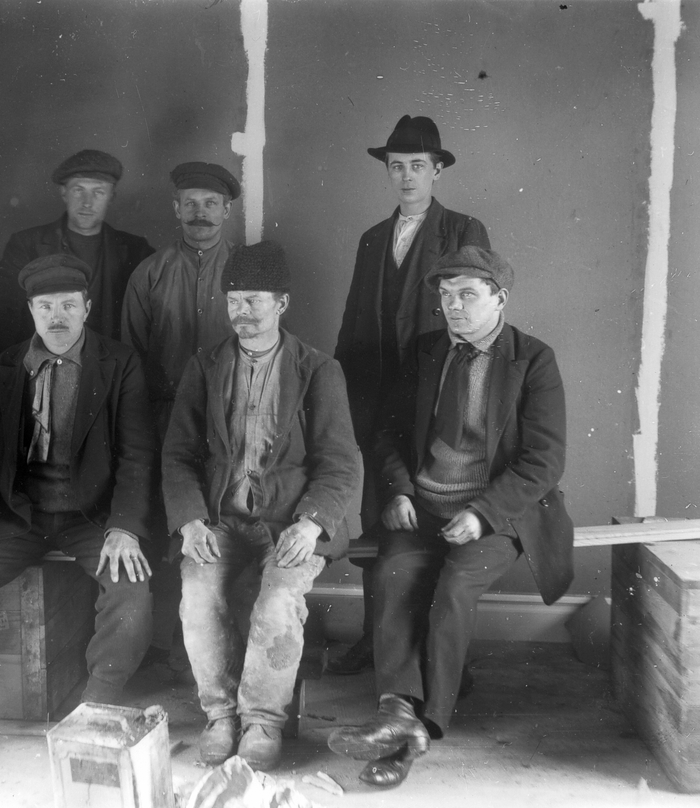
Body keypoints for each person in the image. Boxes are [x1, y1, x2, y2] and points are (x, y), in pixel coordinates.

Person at [328, 247, 573, 787]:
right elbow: (389, 433)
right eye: (445, 295)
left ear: (499, 299)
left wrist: (483, 514)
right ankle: (396, 710)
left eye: (467, 294)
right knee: (393, 577)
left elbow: (545, 460)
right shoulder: (426, 351)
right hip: (423, 508)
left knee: (455, 586)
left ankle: (421, 727)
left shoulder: (533, 359)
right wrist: (397, 491)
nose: (453, 306)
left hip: (500, 514)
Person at [0, 255, 157, 762]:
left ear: (87, 308)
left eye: (68, 305)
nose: (57, 317)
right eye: (45, 306)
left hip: (92, 518)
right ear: (30, 310)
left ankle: (96, 709)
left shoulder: (120, 363)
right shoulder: (7, 367)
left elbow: (138, 455)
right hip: (21, 519)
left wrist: (124, 528)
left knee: (131, 588)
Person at [162, 241, 361, 772]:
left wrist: (312, 524)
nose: (242, 312)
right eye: (233, 301)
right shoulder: (205, 366)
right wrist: (189, 521)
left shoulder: (318, 369)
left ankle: (262, 722)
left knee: (277, 604)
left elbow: (341, 462)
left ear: (282, 303)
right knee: (197, 596)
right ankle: (221, 716)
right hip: (220, 521)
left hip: (289, 524)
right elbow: (177, 454)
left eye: (254, 300)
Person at [329, 115, 491, 676]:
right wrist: (342, 404)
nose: (406, 176)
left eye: (417, 166)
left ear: (437, 170)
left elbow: (474, 320)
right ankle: (377, 641)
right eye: (396, 166)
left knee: (438, 524)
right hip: (379, 405)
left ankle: (441, 657)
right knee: (383, 520)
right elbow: (353, 325)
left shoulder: (463, 230)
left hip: (437, 402)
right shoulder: (373, 238)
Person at [120, 161, 241, 678]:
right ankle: (162, 643)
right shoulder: (149, 273)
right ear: (175, 209)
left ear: (227, 210)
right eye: (190, 204)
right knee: (164, 526)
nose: (200, 213)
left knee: (222, 526)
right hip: (163, 418)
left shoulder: (245, 273)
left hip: (230, 422)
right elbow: (130, 360)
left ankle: (213, 652)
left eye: (210, 204)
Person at [0, 149, 154, 351]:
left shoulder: (137, 250)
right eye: (78, 190)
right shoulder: (26, 244)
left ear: (111, 197)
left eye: (98, 192)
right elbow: (2, 318)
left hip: (112, 366)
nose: (87, 202)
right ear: (63, 193)